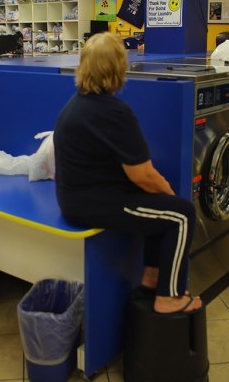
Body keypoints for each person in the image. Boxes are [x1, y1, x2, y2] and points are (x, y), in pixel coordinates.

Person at [53, 32, 201, 314]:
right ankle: (169, 297)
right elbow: (142, 176)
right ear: (118, 68)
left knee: (163, 209)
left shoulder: (76, 105)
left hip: (76, 198)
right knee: (181, 215)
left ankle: (152, 276)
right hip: (93, 203)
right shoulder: (113, 112)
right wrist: (170, 193)